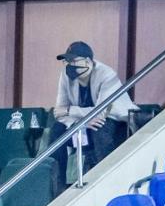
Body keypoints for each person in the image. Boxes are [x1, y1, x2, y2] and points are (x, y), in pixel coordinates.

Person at [50, 41, 138, 186]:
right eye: (67, 61)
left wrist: (70, 111)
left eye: (74, 61)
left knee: (100, 128)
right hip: (85, 122)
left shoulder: (107, 75)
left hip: (117, 121)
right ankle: (57, 184)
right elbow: (58, 112)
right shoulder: (66, 76)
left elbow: (101, 112)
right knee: (57, 130)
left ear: (88, 62)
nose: (69, 65)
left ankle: (106, 180)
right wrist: (79, 122)